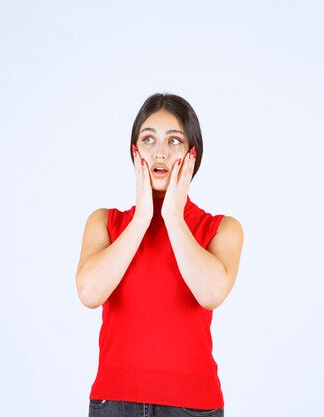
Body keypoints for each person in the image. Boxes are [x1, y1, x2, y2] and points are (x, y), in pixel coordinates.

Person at [76, 93, 243, 417]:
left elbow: (210, 293)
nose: (160, 152)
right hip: (114, 405)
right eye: (148, 139)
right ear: (135, 152)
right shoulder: (105, 222)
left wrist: (173, 218)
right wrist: (142, 217)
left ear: (192, 154)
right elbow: (89, 292)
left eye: (175, 140)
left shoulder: (221, 228)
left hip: (192, 407)